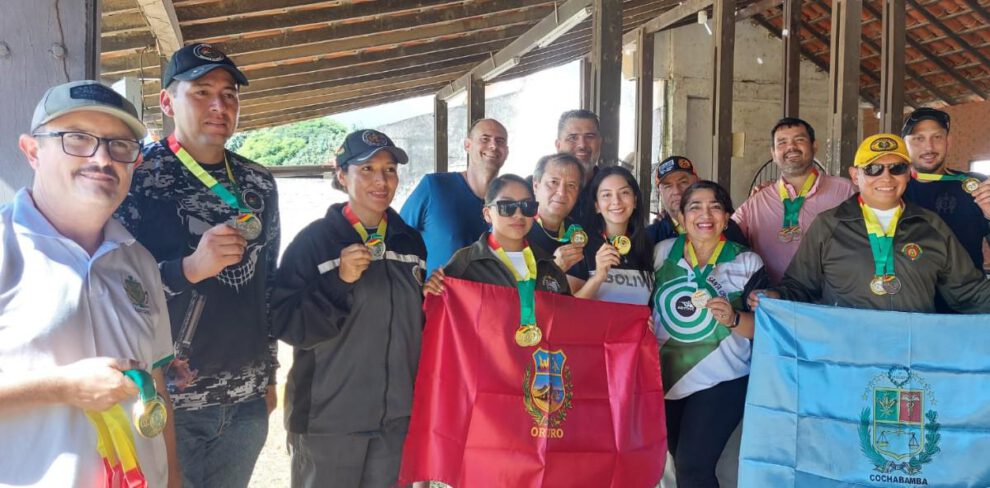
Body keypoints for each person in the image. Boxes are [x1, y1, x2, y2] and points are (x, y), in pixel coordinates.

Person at [0, 80, 179, 486]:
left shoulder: (140, 261)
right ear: (32, 151)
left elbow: (157, 387)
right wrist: (61, 388)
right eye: (77, 138)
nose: (102, 158)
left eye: (120, 145)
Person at [116, 43, 278, 487]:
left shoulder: (259, 182)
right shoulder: (135, 179)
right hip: (169, 400)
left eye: (229, 95)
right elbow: (112, 288)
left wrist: (268, 374)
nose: (218, 105)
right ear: (167, 102)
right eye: (202, 92)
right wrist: (188, 268)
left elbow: (268, 284)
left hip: (245, 399)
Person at [273, 130, 426, 487]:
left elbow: (413, 321)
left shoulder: (410, 241)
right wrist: (338, 281)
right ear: (342, 176)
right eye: (367, 169)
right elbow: (286, 323)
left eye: (389, 170)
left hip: (396, 420)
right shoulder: (314, 242)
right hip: (330, 421)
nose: (381, 180)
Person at [750, 134, 990, 313]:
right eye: (873, 169)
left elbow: (970, 292)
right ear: (856, 175)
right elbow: (800, 285)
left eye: (897, 168)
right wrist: (775, 296)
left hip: (913, 356)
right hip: (850, 356)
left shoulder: (931, 226)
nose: (886, 177)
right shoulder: (829, 225)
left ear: (908, 174)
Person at [651, 180, 767, 487]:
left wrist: (732, 319)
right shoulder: (662, 254)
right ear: (681, 216)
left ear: (727, 217)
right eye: (695, 207)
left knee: (693, 466)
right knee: (679, 460)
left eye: (715, 206)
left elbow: (762, 330)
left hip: (723, 377)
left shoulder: (746, 261)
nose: (706, 214)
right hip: (666, 377)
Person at [732, 117, 855, 285]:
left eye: (799, 139)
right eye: (782, 142)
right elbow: (723, 234)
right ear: (773, 154)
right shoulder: (757, 202)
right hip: (775, 303)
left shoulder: (846, 191)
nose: (791, 147)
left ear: (814, 146)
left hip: (829, 303)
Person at [425, 174, 571, 297]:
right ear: (487, 214)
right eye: (507, 207)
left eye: (527, 206)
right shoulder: (466, 263)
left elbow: (568, 317)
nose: (519, 214)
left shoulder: (547, 265)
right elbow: (441, 315)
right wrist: (428, 291)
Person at [901, 107, 990, 310]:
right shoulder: (892, 188)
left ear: (948, 140)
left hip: (967, 307)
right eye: (918, 139)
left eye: (937, 137)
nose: (929, 147)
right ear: (904, 145)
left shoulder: (976, 186)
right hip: (909, 308)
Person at [401, 118, 509, 274]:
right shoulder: (434, 187)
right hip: (435, 296)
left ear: (506, 151)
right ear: (467, 145)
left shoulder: (510, 203)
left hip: (488, 295)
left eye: (500, 141)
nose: (493, 146)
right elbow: (398, 242)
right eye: (485, 139)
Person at [569, 166, 654, 304]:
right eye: (606, 195)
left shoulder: (647, 246)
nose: (616, 201)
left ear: (635, 201)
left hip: (634, 326)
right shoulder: (581, 246)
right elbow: (569, 308)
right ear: (597, 205)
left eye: (624, 192)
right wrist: (598, 277)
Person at [647, 155, 748, 246]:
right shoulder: (650, 237)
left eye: (683, 182)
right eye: (668, 186)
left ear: (698, 183)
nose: (676, 191)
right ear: (659, 192)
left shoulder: (723, 226)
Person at [527, 153, 590, 280]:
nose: (561, 192)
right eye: (554, 182)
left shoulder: (579, 234)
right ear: (536, 185)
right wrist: (553, 269)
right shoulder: (517, 229)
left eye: (571, 185)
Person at [555, 109, 603, 226]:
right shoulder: (536, 188)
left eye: (590, 136)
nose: (582, 145)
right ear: (558, 145)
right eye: (572, 137)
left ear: (600, 143)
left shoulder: (613, 187)